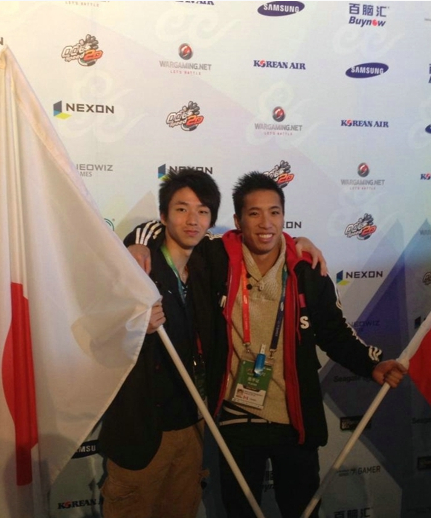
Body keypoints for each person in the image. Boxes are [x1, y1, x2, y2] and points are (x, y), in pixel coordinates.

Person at [135, 171, 407, 518]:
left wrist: (372, 364)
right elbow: (171, 231)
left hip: (294, 420)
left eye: (274, 212)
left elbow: (335, 333)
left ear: (283, 216)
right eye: (254, 213)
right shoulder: (216, 257)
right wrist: (137, 244)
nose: (266, 223)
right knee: (239, 510)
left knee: (301, 509)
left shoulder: (307, 269)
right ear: (238, 221)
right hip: (235, 420)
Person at [98, 168, 224, 518]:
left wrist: (300, 244)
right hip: (141, 433)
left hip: (192, 426)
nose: (192, 220)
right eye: (181, 209)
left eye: (202, 211)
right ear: (163, 216)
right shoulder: (135, 267)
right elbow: (99, 336)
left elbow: (259, 239)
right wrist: (136, 329)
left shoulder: (207, 263)